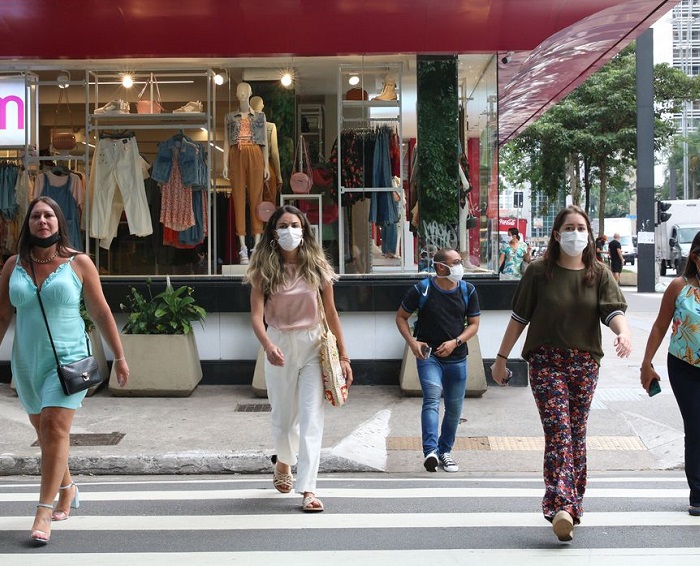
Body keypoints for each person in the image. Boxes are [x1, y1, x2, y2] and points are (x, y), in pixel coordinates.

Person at [491, 205, 631, 543]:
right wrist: (500, 359)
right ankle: (562, 506)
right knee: (559, 431)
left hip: (585, 363)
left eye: (581, 228)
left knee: (576, 433)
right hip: (546, 361)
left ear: (589, 234)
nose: (575, 233)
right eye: (569, 228)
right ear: (556, 234)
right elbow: (519, 318)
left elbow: (612, 312)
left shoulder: (599, 274)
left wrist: (623, 333)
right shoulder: (539, 272)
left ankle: (572, 503)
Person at [0, 196, 129, 545]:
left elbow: (101, 312)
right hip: (27, 362)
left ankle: (43, 511)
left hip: (69, 359)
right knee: (46, 434)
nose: (42, 221)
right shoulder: (13, 265)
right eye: (36, 216)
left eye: (49, 216)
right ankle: (68, 487)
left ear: (59, 222)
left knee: (55, 427)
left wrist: (119, 356)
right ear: (28, 224)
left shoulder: (79, 262)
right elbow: (2, 315)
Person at [244, 204, 352, 512]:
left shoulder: (317, 266)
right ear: (273, 233)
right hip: (278, 342)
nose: (289, 231)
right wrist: (267, 345)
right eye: (283, 226)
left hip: (312, 345)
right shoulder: (263, 269)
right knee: (283, 418)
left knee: (311, 418)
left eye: (295, 225)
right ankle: (284, 462)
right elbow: (255, 316)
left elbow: (331, 312)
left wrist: (344, 356)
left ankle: (308, 489)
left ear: (304, 230)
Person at [395, 248, 481, 473]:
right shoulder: (422, 289)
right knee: (431, 400)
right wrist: (413, 343)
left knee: (454, 409)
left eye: (460, 261)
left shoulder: (467, 290)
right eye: (456, 262)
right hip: (429, 356)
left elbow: (474, 325)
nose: (460, 266)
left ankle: (445, 451)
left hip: (457, 359)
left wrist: (456, 342)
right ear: (441, 267)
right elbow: (401, 317)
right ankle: (430, 452)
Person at [640, 230, 700, 517]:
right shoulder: (679, 286)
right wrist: (647, 363)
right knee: (696, 426)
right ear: (696, 258)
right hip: (684, 367)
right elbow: (660, 326)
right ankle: (698, 494)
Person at [223, 82, 270, 265]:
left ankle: (257, 246)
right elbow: (226, 141)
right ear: (236, 93)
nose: (242, 93)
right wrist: (225, 163)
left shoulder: (260, 116)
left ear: (250, 93)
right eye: (239, 90)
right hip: (236, 153)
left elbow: (264, 143)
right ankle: (242, 247)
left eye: (245, 90)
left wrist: (266, 166)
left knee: (256, 198)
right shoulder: (229, 117)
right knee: (239, 199)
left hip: (255, 153)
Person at [249, 95, 283, 205]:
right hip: (266, 168)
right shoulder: (270, 127)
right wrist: (279, 175)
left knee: (254, 204)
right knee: (269, 203)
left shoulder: (244, 127)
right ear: (262, 106)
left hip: (251, 168)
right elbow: (274, 153)